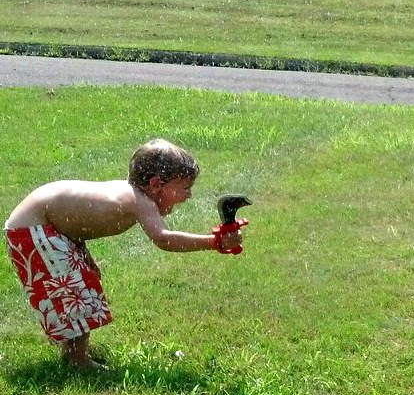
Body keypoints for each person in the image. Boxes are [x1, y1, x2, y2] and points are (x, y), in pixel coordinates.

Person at [5, 139, 245, 368]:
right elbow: (164, 239)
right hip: (33, 227)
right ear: (156, 185)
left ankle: (74, 353)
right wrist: (214, 242)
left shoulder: (130, 194)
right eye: (184, 188)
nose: (189, 195)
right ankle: (77, 361)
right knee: (73, 291)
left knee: (80, 285)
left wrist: (83, 255)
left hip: (43, 224)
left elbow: (75, 221)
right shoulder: (139, 201)